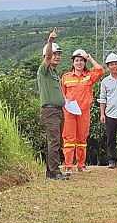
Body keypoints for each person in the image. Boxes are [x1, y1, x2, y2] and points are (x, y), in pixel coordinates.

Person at [61, 48, 105, 172]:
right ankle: (68, 166)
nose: (79, 63)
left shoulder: (89, 76)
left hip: (84, 112)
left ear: (84, 62)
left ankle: (81, 165)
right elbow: (62, 95)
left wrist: (90, 58)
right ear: (73, 62)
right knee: (69, 139)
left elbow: (100, 70)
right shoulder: (66, 77)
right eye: (77, 60)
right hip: (69, 113)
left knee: (82, 138)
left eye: (81, 60)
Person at [37, 28, 69, 180]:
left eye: (58, 54)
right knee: (54, 141)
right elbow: (48, 56)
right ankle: (55, 171)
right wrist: (50, 41)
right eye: (54, 54)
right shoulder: (43, 71)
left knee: (56, 141)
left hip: (58, 111)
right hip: (50, 111)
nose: (56, 56)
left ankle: (51, 171)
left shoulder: (55, 73)